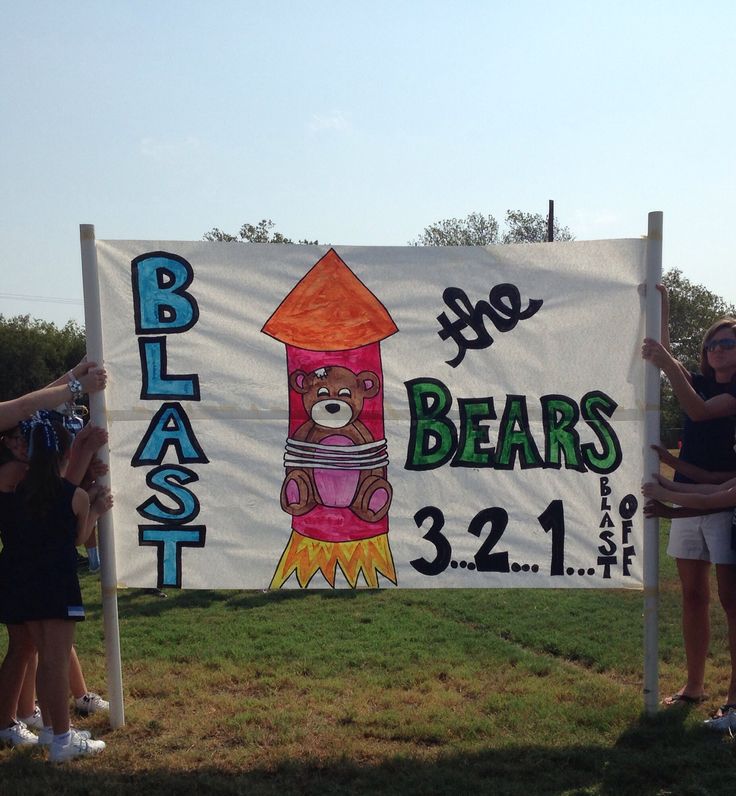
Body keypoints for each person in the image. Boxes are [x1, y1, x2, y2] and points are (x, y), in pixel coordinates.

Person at [642, 284, 736, 709]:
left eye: (728, 342)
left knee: (732, 604)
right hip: (688, 496)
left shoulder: (730, 392)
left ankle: (734, 699)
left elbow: (698, 409)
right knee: (693, 595)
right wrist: (659, 299)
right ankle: (693, 687)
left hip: (725, 503)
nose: (717, 348)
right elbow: (664, 354)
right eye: (712, 342)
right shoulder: (696, 379)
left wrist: (667, 364)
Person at [0, 413, 112, 761]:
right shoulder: (72, 494)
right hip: (57, 583)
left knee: (41, 655)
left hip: (21, 581)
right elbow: (79, 537)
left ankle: (52, 731)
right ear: (63, 457)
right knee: (54, 658)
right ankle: (61, 738)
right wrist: (94, 507)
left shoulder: (14, 491)